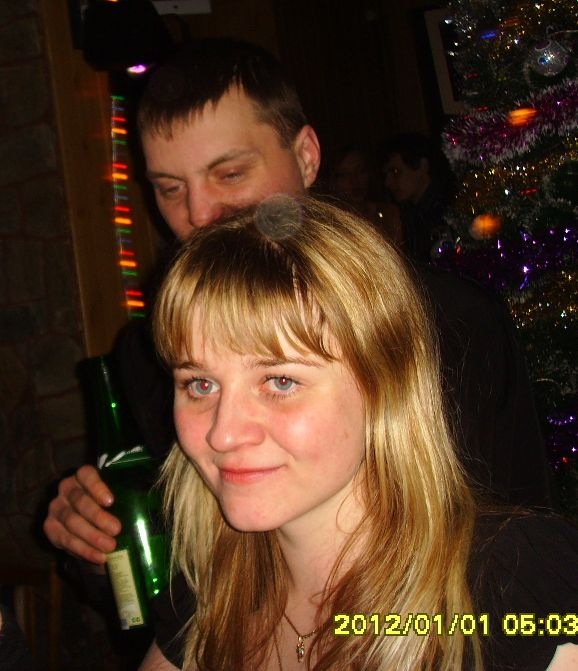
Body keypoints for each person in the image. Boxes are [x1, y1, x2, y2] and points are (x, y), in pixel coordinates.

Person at [41, 38, 552, 664]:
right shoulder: (148, 354)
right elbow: (179, 566)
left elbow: (502, 553)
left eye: (230, 174)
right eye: (170, 188)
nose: (200, 214)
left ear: (306, 157)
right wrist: (94, 543)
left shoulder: (447, 319)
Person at [146, 196, 578, 670]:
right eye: (200, 384)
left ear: (384, 386)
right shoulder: (204, 597)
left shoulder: (514, 587)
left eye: (281, 381)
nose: (223, 435)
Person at [382, 132, 455, 263]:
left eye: (396, 171)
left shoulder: (449, 211)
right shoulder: (408, 213)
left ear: (422, 166)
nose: (387, 182)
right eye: (386, 174)